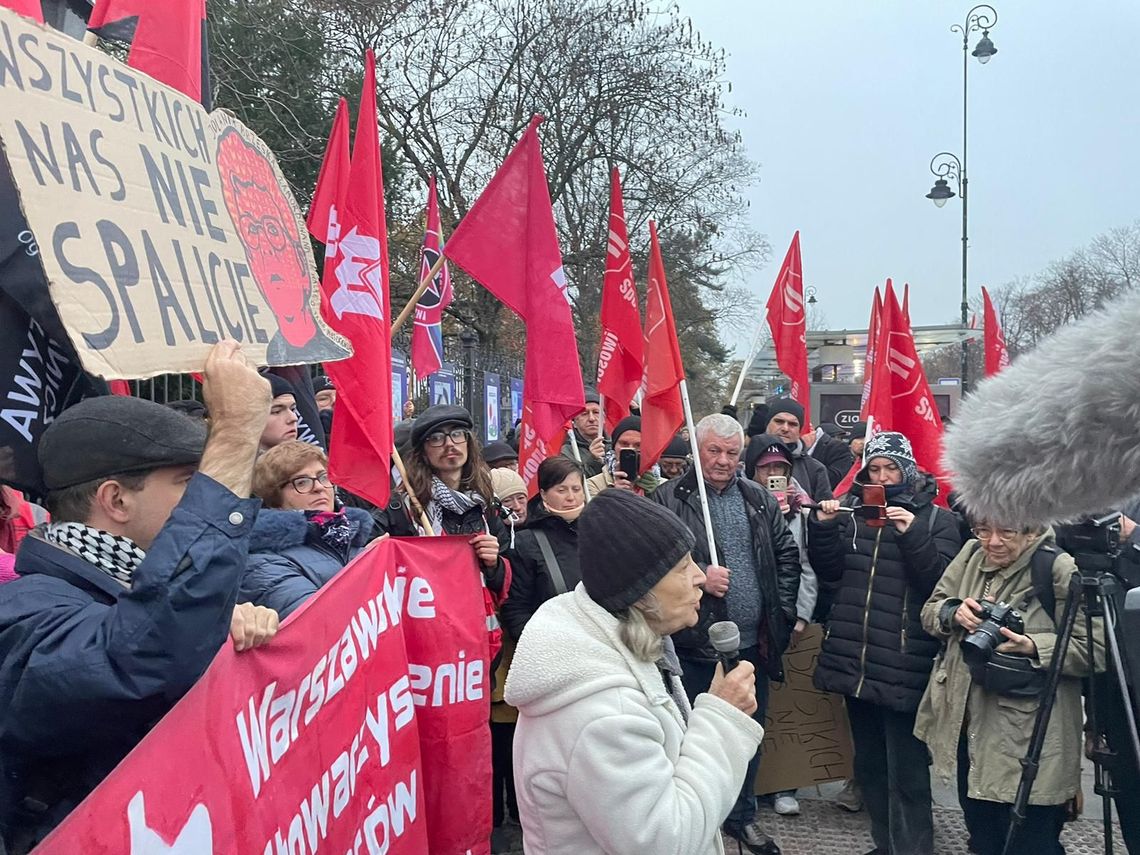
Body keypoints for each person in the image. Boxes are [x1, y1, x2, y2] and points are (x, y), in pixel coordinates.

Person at [0, 342, 279, 851]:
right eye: (189, 483)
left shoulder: (133, 593)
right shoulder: (24, 614)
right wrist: (235, 433)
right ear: (116, 500)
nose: (201, 497)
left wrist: (217, 629)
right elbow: (138, 661)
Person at [505, 489, 765, 854]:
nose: (700, 578)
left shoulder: (631, 647)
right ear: (641, 593)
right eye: (682, 567)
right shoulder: (602, 715)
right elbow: (664, 842)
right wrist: (722, 720)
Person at [654, 413, 800, 855]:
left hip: (754, 643)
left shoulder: (758, 499)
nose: (722, 461)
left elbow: (786, 557)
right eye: (713, 451)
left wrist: (782, 611)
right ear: (696, 451)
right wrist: (698, 577)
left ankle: (742, 817)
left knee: (746, 733)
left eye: (732, 453)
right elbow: (654, 566)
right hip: (693, 645)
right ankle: (699, 822)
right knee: (693, 738)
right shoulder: (667, 500)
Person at [809, 431, 961, 855]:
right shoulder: (857, 515)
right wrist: (821, 529)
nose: (882, 476)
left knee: (908, 771)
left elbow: (939, 584)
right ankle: (884, 843)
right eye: (874, 469)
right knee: (870, 766)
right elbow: (832, 573)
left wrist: (912, 533)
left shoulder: (938, 520)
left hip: (904, 662)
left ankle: (913, 847)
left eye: (890, 468)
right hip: (856, 659)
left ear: (907, 470)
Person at [914, 523, 1099, 855]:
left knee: (1031, 843)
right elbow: (930, 610)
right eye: (984, 530)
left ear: (1031, 530)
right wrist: (954, 613)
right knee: (984, 840)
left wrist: (1032, 644)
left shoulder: (1057, 567)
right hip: (970, 731)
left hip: (1031, 739)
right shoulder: (971, 553)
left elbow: (1094, 649)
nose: (993, 542)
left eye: (1007, 532)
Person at [745, 435, 819, 818]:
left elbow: (805, 566)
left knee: (787, 705)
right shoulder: (736, 503)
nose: (773, 475)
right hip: (746, 622)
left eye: (781, 469)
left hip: (785, 621)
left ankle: (785, 783)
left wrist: (800, 615)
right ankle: (748, 788)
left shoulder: (800, 512)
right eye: (766, 468)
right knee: (747, 705)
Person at [403, 404, 511, 655]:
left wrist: (494, 564)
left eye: (457, 434)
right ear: (423, 452)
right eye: (437, 438)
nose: (449, 444)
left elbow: (504, 576)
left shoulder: (485, 503)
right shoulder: (405, 507)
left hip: (478, 643)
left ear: (468, 443)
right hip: (428, 642)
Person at [240, 441, 374, 619]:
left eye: (323, 477)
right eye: (302, 482)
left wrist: (376, 559)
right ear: (275, 498)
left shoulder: (351, 541)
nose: (318, 487)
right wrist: (367, 567)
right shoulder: (261, 562)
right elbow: (320, 621)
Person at [501, 457, 586, 642]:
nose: (571, 497)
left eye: (576, 489)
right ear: (544, 494)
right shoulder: (526, 542)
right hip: (555, 647)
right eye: (561, 490)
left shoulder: (599, 531)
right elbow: (516, 609)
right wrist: (544, 646)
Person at [763, 399, 833, 501]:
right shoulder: (745, 459)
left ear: (799, 430)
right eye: (779, 422)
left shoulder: (815, 469)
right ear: (767, 424)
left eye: (793, 424)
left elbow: (823, 513)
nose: (785, 428)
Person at [585, 416, 661, 497]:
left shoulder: (664, 486)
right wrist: (617, 495)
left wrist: (654, 495)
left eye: (638, 445)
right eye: (624, 444)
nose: (631, 449)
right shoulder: (593, 484)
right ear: (614, 446)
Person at [561, 389, 604, 478]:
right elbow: (574, 482)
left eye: (596, 412)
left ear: (604, 419)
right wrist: (594, 461)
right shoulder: (567, 451)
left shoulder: (616, 445)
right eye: (584, 414)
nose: (591, 418)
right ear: (574, 422)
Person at [803, 422, 856, 490]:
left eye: (840, 438)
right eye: (836, 437)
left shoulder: (839, 449)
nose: (786, 429)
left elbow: (834, 479)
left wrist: (804, 456)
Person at [260, 374, 299, 452]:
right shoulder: (234, 463)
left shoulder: (310, 461)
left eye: (293, 409)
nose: (294, 418)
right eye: (276, 411)